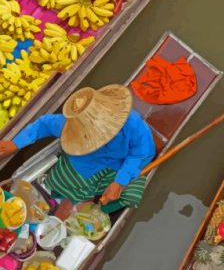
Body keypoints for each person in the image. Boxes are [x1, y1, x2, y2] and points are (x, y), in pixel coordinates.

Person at [0, 84, 156, 213]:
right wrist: (17, 143)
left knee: (131, 194)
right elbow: (44, 124)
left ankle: (98, 208)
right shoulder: (69, 125)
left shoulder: (132, 123)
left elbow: (143, 152)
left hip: (119, 165)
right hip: (85, 162)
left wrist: (120, 181)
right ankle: (70, 200)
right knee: (63, 185)